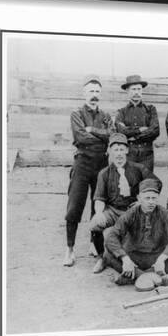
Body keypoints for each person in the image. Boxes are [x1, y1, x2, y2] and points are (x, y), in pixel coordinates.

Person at [89, 133, 158, 273]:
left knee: (134, 238)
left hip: (133, 210)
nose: (119, 153)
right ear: (109, 151)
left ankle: (138, 261)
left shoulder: (138, 169)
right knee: (95, 224)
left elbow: (156, 183)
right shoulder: (104, 173)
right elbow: (99, 198)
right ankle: (102, 258)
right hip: (113, 210)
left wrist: (142, 201)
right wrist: (99, 213)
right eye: (115, 149)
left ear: (127, 150)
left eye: (122, 149)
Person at [63, 75, 113, 267]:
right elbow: (81, 137)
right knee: (75, 205)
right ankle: (69, 249)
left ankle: (94, 243)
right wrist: (100, 136)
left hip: (101, 164)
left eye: (97, 92)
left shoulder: (106, 116)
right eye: (91, 91)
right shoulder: (76, 113)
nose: (94, 95)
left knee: (97, 206)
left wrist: (93, 130)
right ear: (84, 94)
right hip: (82, 163)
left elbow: (112, 134)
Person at [104, 178, 168, 287]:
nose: (151, 202)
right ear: (139, 198)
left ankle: (133, 277)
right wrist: (125, 259)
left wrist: (162, 258)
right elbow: (112, 236)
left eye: (154, 198)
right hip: (134, 256)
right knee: (108, 255)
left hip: (156, 257)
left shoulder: (165, 214)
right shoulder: (131, 213)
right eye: (147, 198)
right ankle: (154, 278)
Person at [115, 75, 160, 172]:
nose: (136, 92)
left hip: (147, 155)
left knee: (146, 183)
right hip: (129, 154)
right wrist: (139, 130)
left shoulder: (151, 109)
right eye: (133, 89)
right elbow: (121, 131)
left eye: (139, 89)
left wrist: (133, 136)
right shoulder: (121, 112)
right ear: (127, 91)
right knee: (130, 183)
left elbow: (155, 130)